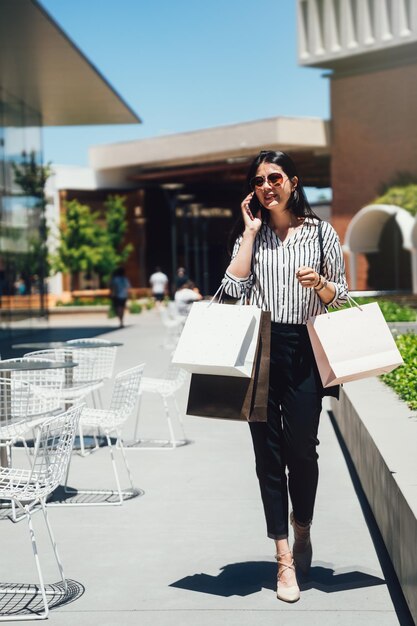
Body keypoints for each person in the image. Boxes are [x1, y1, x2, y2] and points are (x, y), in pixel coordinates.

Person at [222, 151, 348, 603]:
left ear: (292, 182)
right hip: (261, 347)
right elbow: (230, 292)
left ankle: (303, 528)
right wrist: (249, 236)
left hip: (305, 349)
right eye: (259, 181)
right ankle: (283, 559)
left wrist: (320, 285)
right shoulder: (252, 235)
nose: (267, 186)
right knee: (266, 456)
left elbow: (341, 294)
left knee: (303, 452)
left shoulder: (320, 233)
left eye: (275, 177)